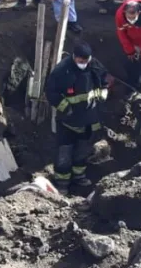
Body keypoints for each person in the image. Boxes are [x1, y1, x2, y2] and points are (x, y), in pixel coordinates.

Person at [45, 43, 110, 193]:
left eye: (86, 61)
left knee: (83, 150)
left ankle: (79, 177)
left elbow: (104, 79)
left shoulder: (94, 65)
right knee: (64, 153)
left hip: (88, 119)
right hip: (68, 121)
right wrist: (66, 108)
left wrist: (103, 91)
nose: (83, 64)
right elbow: (51, 92)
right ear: (74, 57)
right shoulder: (62, 70)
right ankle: (62, 183)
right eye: (81, 61)